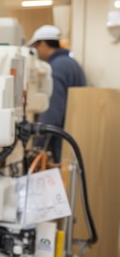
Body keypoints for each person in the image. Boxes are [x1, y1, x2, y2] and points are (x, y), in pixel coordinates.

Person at [27, 24, 86, 163]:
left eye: (35, 47)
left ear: (42, 44)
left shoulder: (56, 67)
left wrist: (37, 145)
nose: (36, 52)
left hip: (61, 140)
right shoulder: (72, 64)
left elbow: (53, 111)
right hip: (74, 134)